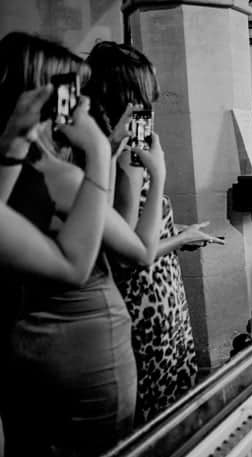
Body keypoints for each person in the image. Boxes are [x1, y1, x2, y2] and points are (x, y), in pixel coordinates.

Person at [0, 32, 166, 457]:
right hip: (88, 353)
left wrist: (104, 155)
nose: (82, 102)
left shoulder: (20, 170)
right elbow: (110, 255)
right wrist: (105, 155)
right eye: (71, 91)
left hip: (24, 346)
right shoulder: (65, 175)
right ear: (40, 97)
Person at [85, 41, 218, 425]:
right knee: (158, 415)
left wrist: (180, 234)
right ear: (129, 97)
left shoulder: (109, 150)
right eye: (148, 95)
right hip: (146, 303)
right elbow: (129, 253)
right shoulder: (129, 159)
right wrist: (181, 238)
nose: (154, 104)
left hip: (159, 293)